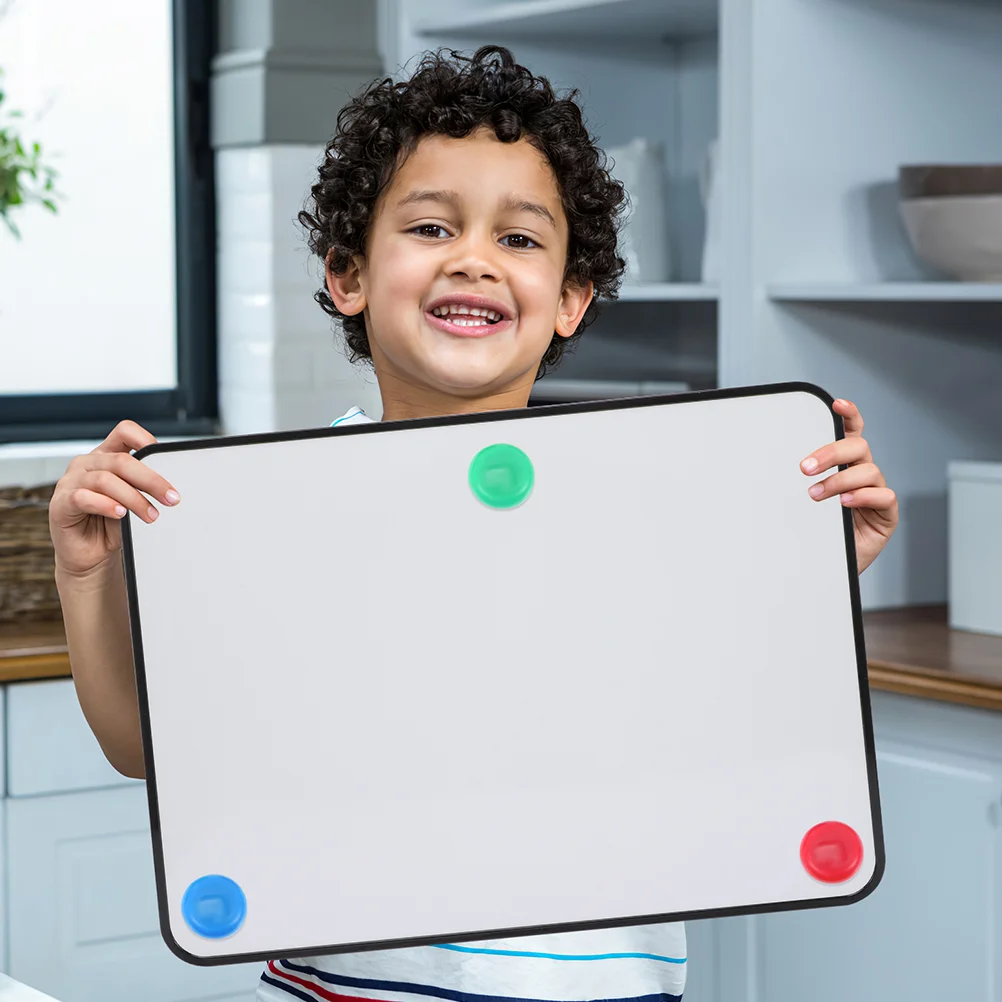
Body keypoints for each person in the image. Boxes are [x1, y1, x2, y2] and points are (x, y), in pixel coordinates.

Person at [47, 46, 899, 1002]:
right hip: (349, 987)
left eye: (522, 240)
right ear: (347, 273)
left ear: (572, 300)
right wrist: (86, 578)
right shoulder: (277, 511)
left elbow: (716, 708)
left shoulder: (642, 505)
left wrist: (815, 572)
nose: (474, 258)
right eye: (429, 225)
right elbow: (144, 750)